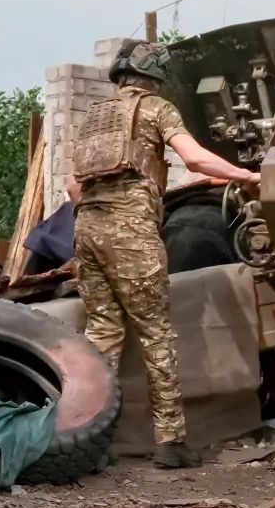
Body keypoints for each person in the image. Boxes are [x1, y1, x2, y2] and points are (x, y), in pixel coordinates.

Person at [65, 39, 260, 469]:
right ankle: (170, 443)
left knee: (102, 334)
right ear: (154, 77)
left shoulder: (93, 117)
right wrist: (245, 175)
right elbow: (193, 160)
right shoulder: (155, 109)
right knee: (156, 334)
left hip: (86, 230)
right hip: (130, 232)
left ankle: (91, 441)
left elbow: (73, 187)